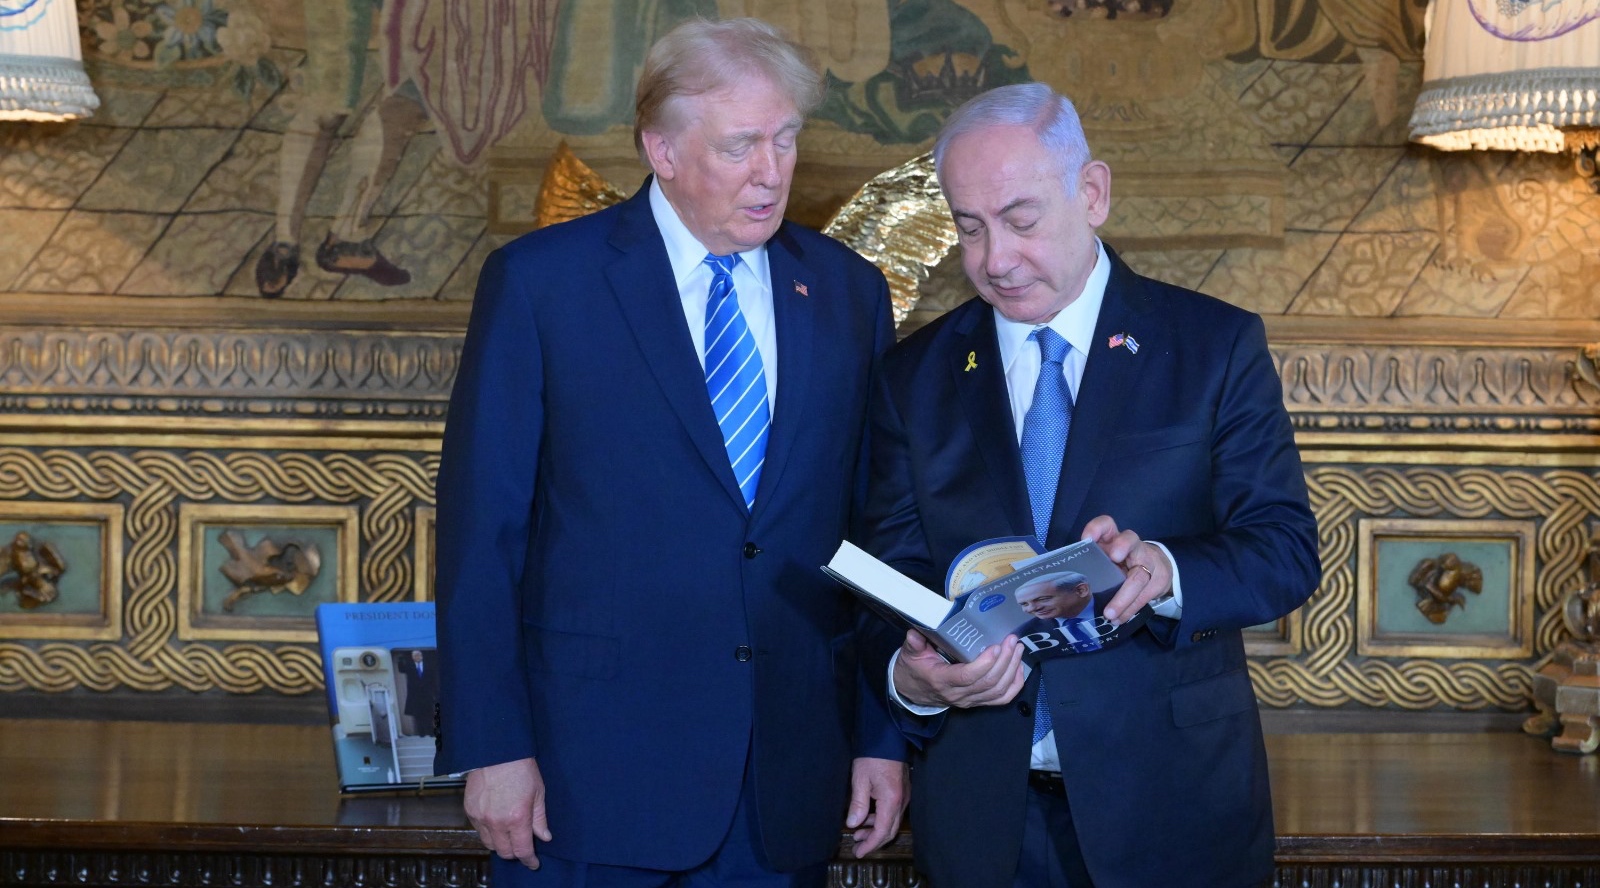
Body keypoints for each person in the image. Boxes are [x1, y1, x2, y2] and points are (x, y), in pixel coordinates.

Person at [433, 17, 907, 888]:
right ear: (663, 148)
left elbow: (871, 533)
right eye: (740, 146)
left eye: (786, 139)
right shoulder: (543, 283)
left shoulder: (846, 292)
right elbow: (480, 531)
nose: (772, 172)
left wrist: (880, 736)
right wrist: (492, 747)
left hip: (783, 785)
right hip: (585, 783)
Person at [860, 81, 1320, 887]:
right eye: (969, 228)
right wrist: (912, 679)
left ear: (1093, 192)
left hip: (1172, 809)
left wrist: (1169, 571)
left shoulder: (1214, 346)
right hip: (980, 819)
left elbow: (1284, 548)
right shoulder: (913, 375)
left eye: (1021, 220)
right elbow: (884, 586)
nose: (994, 259)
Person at [395, 649, 439, 737]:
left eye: (418, 655)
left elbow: (433, 681)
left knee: (429, 714)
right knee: (418, 715)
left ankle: (430, 732)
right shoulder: (409, 666)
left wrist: (435, 694)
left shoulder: (428, 666)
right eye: (415, 656)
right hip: (415, 696)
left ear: (421, 656)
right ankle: (421, 733)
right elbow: (401, 669)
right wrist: (400, 660)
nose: (417, 657)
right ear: (412, 657)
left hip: (427, 695)